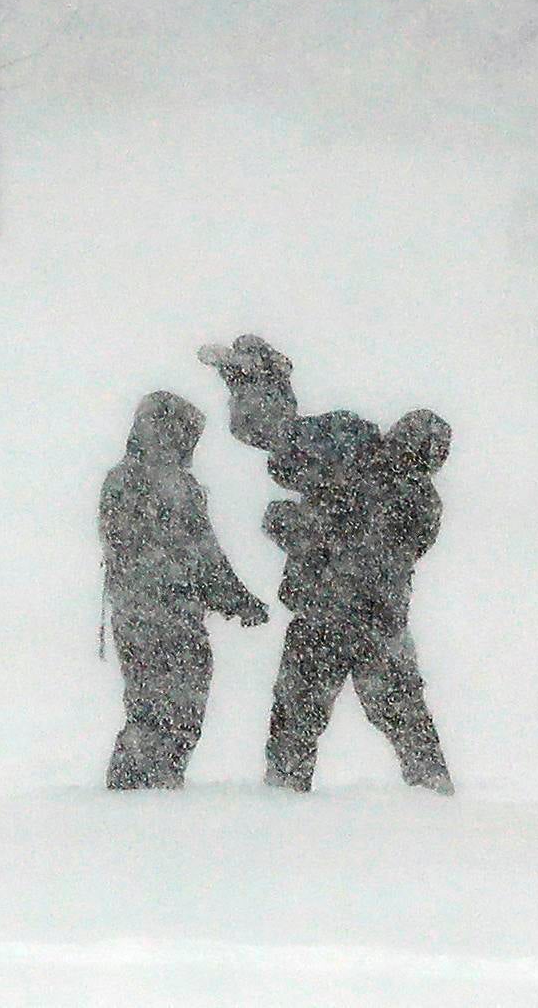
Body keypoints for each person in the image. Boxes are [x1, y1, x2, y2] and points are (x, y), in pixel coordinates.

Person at [199, 333, 455, 793]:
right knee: (398, 718)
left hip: (331, 617)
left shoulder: (374, 473)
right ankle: (434, 795)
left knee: (302, 720)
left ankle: (285, 799)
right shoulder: (409, 494)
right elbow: (285, 448)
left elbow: (346, 536)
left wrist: (295, 524)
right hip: (373, 622)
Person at [98, 390, 269, 788]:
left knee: (145, 706)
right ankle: (156, 784)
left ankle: (130, 790)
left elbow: (135, 549)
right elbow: (202, 556)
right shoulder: (177, 487)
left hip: (132, 617)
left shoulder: (119, 480)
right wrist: (238, 601)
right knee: (179, 706)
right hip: (172, 619)